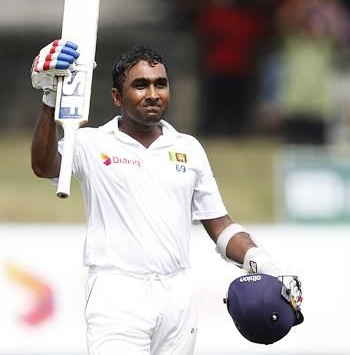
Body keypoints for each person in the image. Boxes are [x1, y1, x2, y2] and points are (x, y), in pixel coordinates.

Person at [31, 39, 302, 355]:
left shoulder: (188, 148)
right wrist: (51, 98)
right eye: (140, 85)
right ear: (117, 97)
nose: (153, 94)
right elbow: (44, 164)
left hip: (177, 294)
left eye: (161, 84)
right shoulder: (92, 143)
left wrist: (261, 261)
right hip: (116, 293)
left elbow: (219, 225)